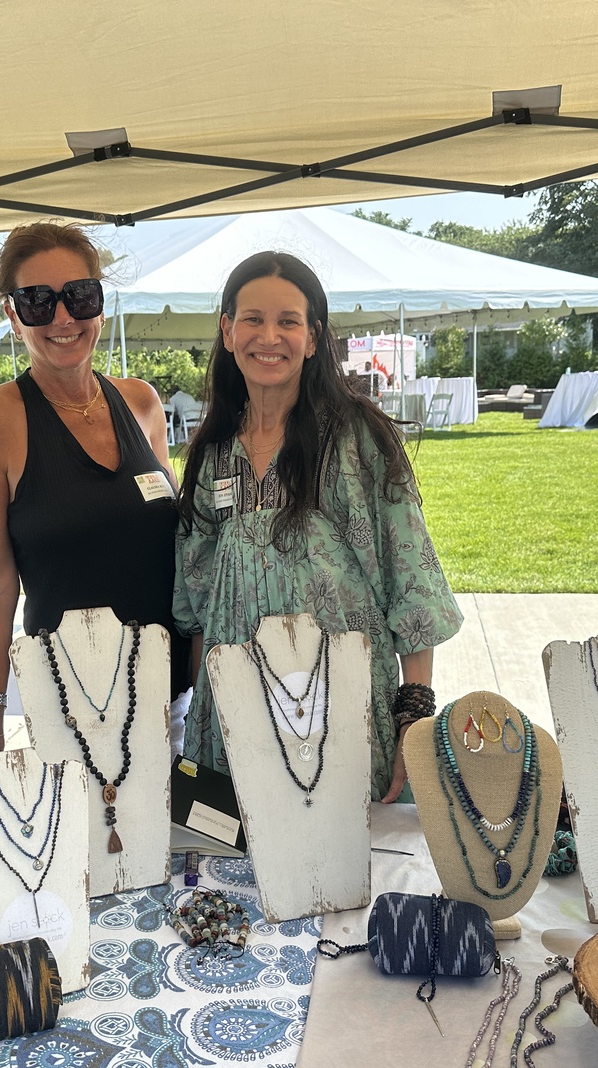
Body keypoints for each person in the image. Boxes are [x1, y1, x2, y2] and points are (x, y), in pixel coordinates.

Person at [173, 251, 464, 804]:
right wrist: (205, 722)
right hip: (240, 712)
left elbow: (411, 581)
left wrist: (413, 715)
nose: (270, 336)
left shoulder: (357, 440)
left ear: (313, 339)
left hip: (346, 706)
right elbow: (198, 606)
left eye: (289, 321)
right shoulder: (212, 453)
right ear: (228, 331)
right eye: (253, 319)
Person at [0, 222, 185, 793]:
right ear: (11, 312)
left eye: (79, 296)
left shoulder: (142, 402)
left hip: (172, 701)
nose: (62, 318)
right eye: (37, 302)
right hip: (72, 712)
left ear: (99, 302)